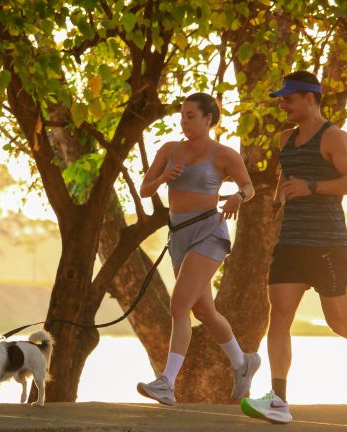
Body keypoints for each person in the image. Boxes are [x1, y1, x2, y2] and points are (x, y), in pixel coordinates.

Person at [240, 71, 347, 424]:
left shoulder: (334, 138)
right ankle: (278, 400)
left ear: (310, 98)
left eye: (288, 99)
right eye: (281, 99)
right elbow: (287, 174)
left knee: (339, 321)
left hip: (328, 243)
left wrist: (312, 188)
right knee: (278, 317)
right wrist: (278, 201)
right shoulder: (286, 139)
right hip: (292, 242)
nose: (283, 105)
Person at [137, 92, 260, 405]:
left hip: (209, 232)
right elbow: (145, 189)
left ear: (209, 119)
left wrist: (237, 198)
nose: (184, 121)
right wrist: (164, 176)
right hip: (179, 235)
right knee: (203, 310)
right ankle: (242, 362)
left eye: (191, 115)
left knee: (179, 306)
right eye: (182, 115)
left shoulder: (224, 154)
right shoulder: (169, 150)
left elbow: (249, 187)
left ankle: (167, 382)